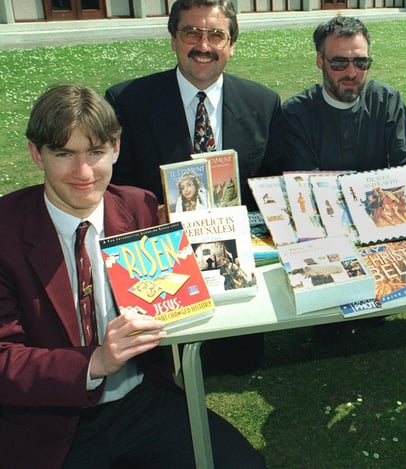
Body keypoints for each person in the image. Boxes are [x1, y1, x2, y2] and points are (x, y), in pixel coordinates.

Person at [0, 85, 265, 468]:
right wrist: (94, 362)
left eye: (95, 152)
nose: (83, 172)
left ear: (116, 148)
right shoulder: (6, 230)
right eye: (64, 154)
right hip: (48, 419)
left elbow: (183, 292)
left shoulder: (140, 208)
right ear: (35, 154)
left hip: (142, 399)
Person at [105, 0, 281, 374]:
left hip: (235, 257)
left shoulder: (263, 104)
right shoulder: (128, 101)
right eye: (191, 33)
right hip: (159, 255)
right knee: (164, 370)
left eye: (217, 35)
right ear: (173, 39)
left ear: (231, 45)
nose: (204, 45)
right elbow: (115, 190)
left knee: (240, 363)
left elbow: (268, 187)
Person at [273, 15, 406, 172]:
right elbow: (305, 181)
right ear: (320, 60)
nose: (351, 73)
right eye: (339, 63)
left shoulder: (386, 101)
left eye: (361, 62)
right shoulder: (296, 114)